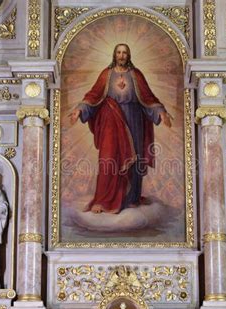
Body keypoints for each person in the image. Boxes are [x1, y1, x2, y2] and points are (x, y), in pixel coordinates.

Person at [69, 43, 172, 214]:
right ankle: (104, 200)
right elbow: (93, 95)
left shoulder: (136, 75)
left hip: (134, 120)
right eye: (119, 52)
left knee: (134, 158)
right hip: (111, 120)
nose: (122, 56)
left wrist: (161, 112)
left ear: (128, 55)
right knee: (109, 158)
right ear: (114, 55)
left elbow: (148, 97)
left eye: (125, 53)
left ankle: (130, 198)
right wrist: (79, 109)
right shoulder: (107, 74)